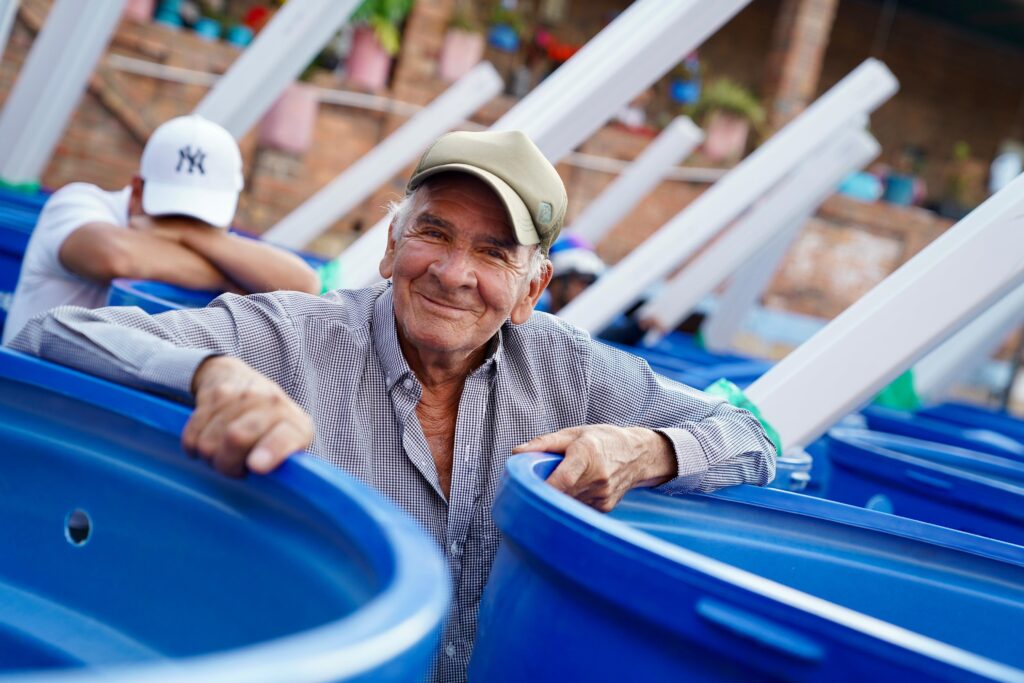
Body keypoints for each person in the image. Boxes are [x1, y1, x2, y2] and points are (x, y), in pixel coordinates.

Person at [11, 130, 776, 683]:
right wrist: (212, 373)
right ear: (389, 245)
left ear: (531, 291)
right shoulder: (293, 334)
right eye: (433, 233)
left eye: (492, 253)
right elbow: (52, 331)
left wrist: (648, 450)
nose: (452, 272)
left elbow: (756, 434)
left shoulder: (567, 366)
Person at [2, 114, 320, 344]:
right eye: (173, 214)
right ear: (137, 190)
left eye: (200, 219)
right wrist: (235, 277)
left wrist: (190, 235)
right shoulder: (79, 202)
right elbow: (116, 258)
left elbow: (304, 284)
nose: (187, 224)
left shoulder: (206, 239)